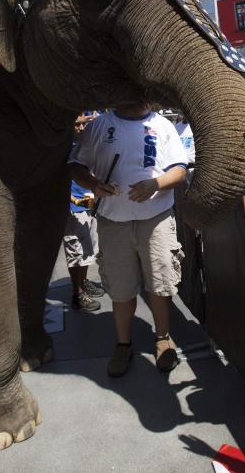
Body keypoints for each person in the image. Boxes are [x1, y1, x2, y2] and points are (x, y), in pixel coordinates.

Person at [69, 100, 187, 377]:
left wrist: (156, 184)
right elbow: (76, 164)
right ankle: (123, 344)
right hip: (113, 222)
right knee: (120, 289)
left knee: (160, 283)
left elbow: (179, 169)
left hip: (156, 219)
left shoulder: (163, 124)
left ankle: (163, 338)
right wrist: (92, 183)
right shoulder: (99, 125)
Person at [63, 113, 104, 311]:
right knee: (75, 253)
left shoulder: (86, 146)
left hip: (89, 204)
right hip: (74, 208)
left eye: (83, 124)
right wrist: (74, 200)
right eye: (76, 124)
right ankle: (77, 294)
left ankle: (84, 283)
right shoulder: (62, 150)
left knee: (88, 251)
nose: (80, 128)